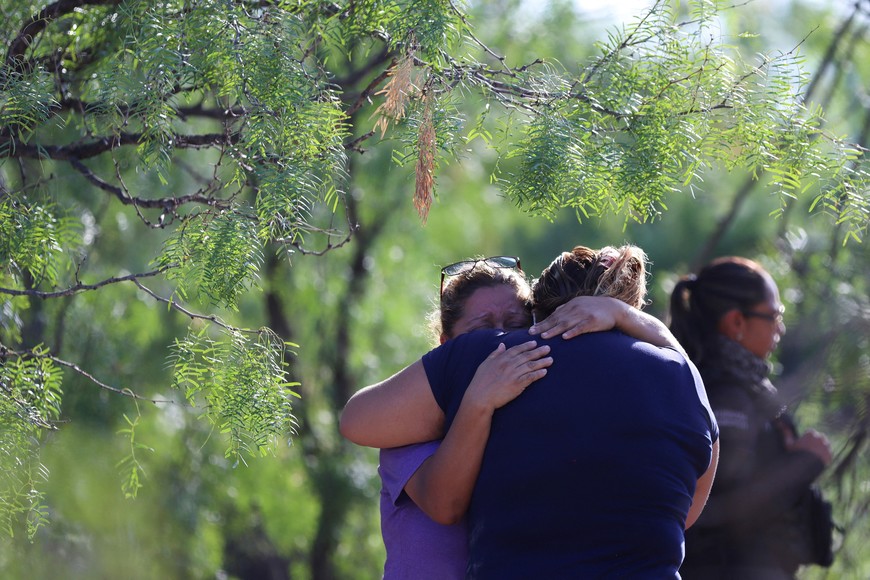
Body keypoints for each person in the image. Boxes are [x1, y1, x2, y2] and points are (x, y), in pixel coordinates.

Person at [342, 245, 719, 578]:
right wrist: (477, 401)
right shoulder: (681, 381)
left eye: (515, 325)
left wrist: (624, 316)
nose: (503, 340)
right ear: (443, 343)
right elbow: (683, 510)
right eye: (487, 329)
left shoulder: (516, 364)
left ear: (540, 318)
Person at [668, 256, 833, 579]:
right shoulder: (723, 394)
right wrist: (804, 462)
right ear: (736, 322)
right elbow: (721, 508)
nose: (780, 328)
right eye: (773, 316)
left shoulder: (731, 385)